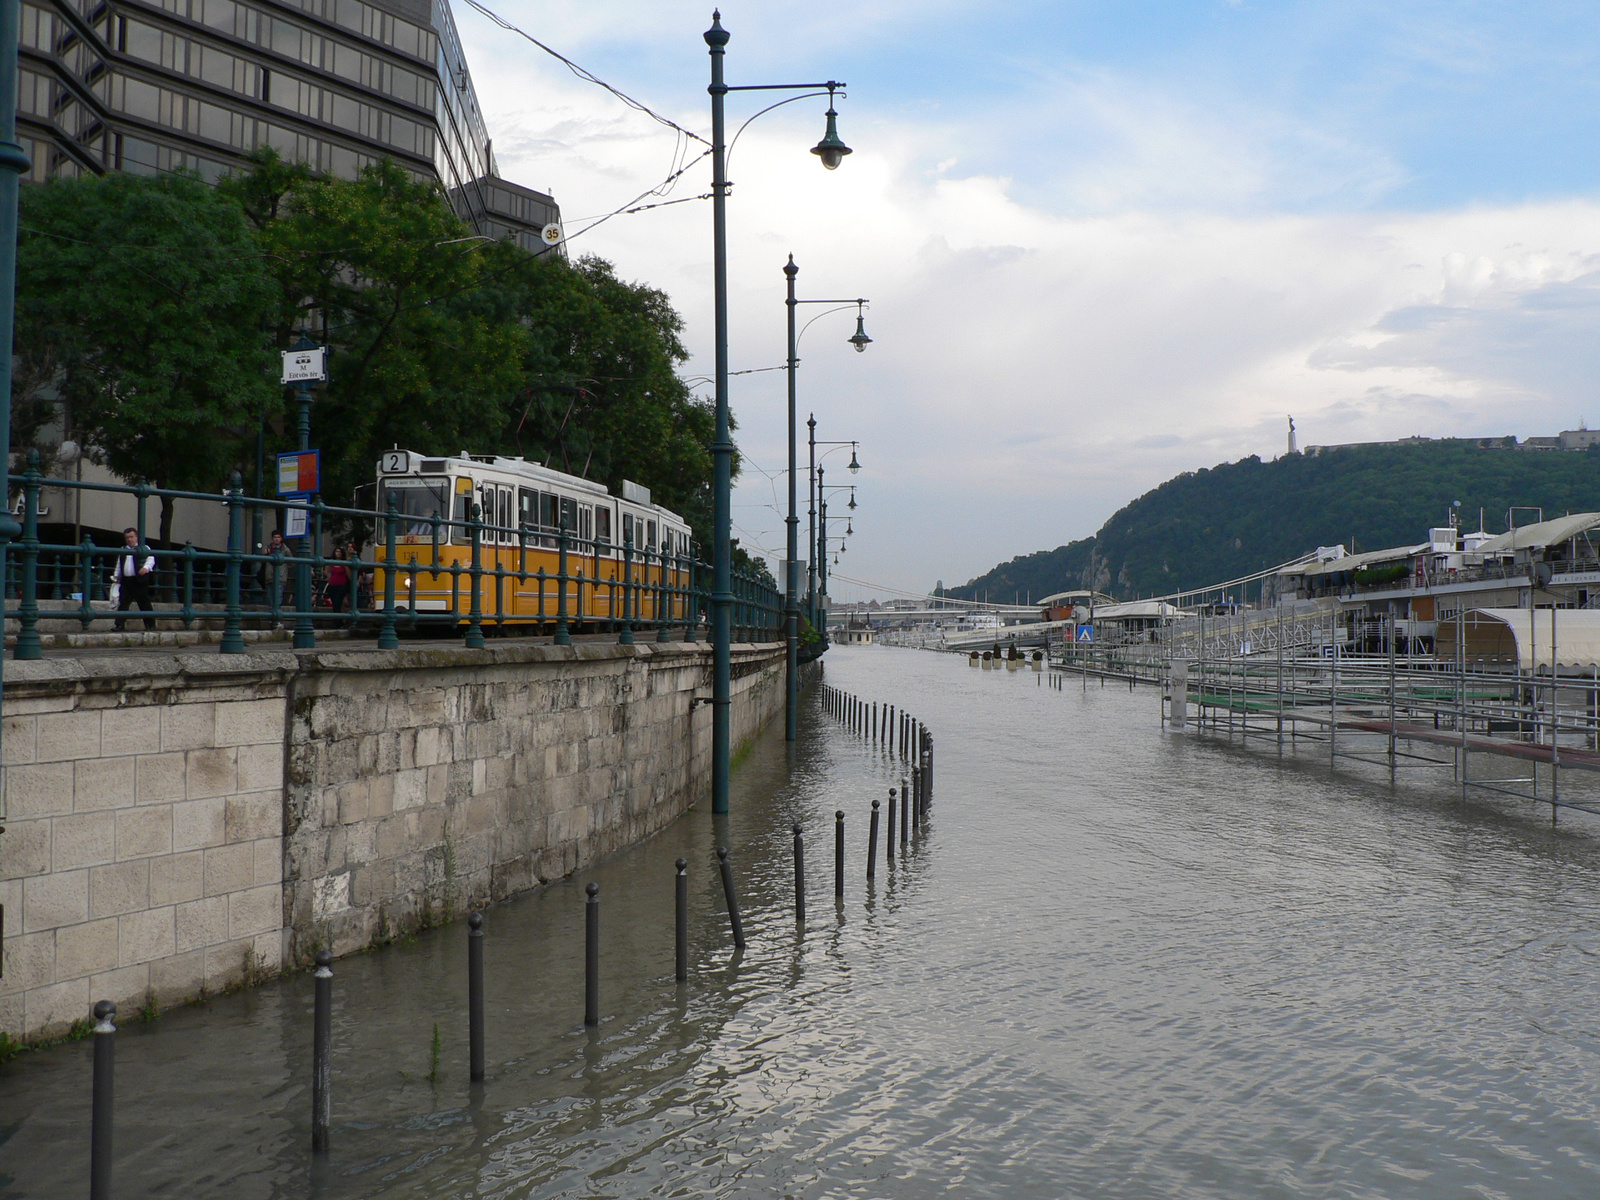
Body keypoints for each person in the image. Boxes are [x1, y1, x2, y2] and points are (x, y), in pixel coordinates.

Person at [113, 527, 156, 631]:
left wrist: (146, 568)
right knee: (123, 603)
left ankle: (150, 625)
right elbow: (119, 564)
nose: (129, 539)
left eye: (131, 537)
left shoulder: (144, 548)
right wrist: (116, 576)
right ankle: (119, 625)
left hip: (139, 580)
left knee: (144, 603)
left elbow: (151, 559)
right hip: (126, 580)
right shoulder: (123, 550)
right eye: (127, 537)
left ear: (136, 537)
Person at [325, 544, 352, 612]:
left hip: (341, 586)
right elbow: (327, 571)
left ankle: (338, 620)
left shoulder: (344, 563)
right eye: (337, 551)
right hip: (333, 585)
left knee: (338, 602)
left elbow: (349, 575)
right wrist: (330, 579)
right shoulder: (331, 562)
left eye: (340, 552)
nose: (338, 553)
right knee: (334, 603)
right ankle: (337, 620)